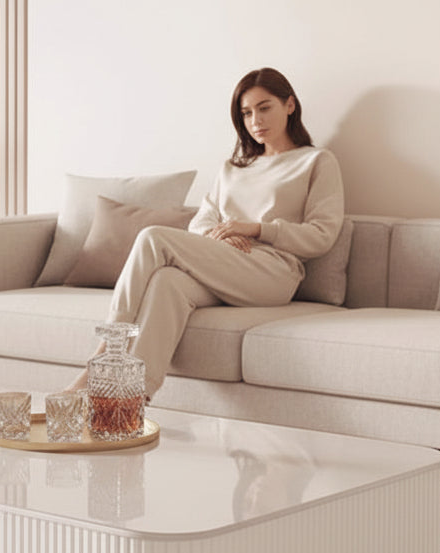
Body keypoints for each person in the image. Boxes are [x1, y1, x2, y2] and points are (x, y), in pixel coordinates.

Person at [66, 67, 345, 397]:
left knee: (154, 237)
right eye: (246, 113)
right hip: (225, 265)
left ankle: (100, 358)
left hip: (273, 273)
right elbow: (202, 221)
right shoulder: (233, 169)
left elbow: (322, 234)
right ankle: (130, 401)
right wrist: (221, 236)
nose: (255, 120)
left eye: (264, 107)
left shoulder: (316, 162)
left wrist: (256, 229)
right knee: (166, 282)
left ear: (290, 105)